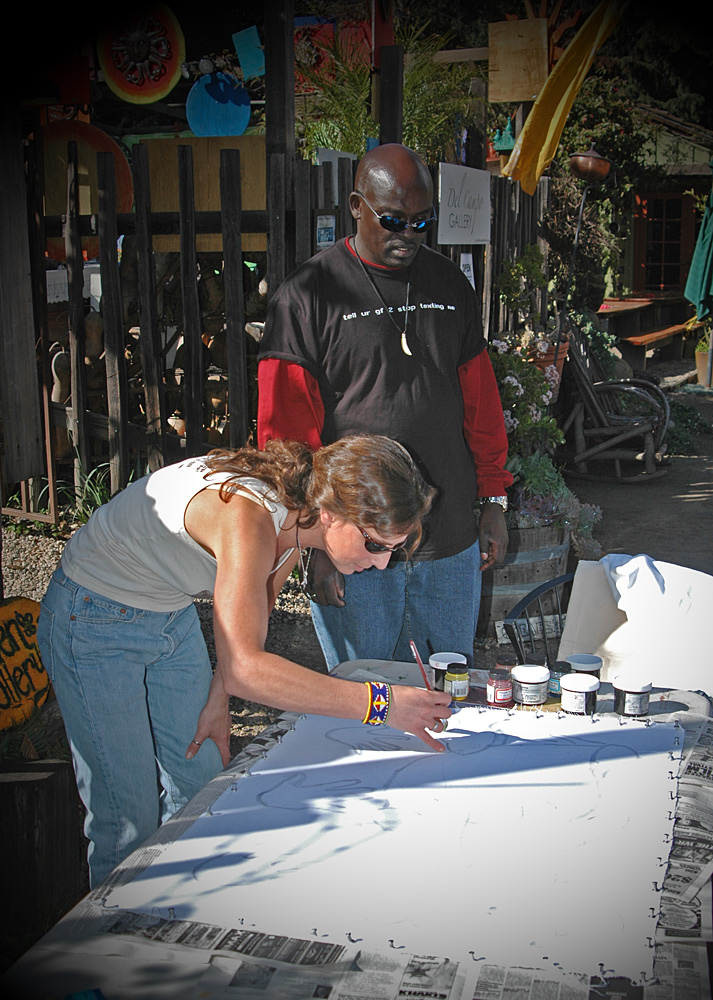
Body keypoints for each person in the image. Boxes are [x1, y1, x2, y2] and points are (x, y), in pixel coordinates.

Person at [37, 435, 451, 887]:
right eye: (375, 544)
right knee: (127, 817)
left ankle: (175, 905)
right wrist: (380, 704)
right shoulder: (249, 517)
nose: (382, 562)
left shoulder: (297, 523)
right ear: (333, 512)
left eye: (393, 548)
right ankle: (113, 945)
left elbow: (251, 630)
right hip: (92, 614)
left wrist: (220, 694)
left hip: (167, 612)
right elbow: (247, 667)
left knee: (201, 781)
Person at [257, 143, 512, 671]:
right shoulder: (307, 296)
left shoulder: (449, 284)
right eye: (394, 220)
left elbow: (481, 404)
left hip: (448, 543)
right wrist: (317, 543)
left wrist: (493, 499)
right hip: (356, 547)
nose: (409, 237)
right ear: (356, 205)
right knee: (364, 698)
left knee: (446, 694)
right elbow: (284, 441)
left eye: (423, 223)